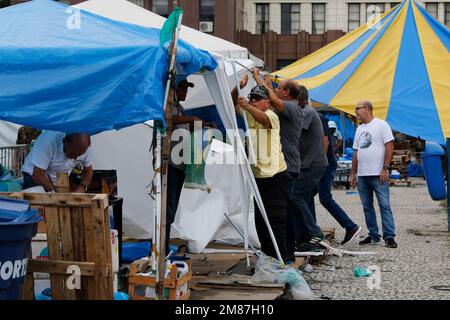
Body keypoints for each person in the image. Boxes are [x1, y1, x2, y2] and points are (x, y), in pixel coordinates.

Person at [250, 70, 304, 262]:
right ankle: (286, 252)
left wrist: (258, 80)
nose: (275, 90)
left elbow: (272, 100)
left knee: (282, 214)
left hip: (285, 168)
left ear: (287, 93)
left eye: (279, 88)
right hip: (283, 167)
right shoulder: (279, 109)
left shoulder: (290, 107)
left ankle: (287, 253)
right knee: (284, 211)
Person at [233, 84, 289, 262]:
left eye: (258, 99)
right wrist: (236, 87)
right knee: (261, 221)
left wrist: (247, 106)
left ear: (267, 102)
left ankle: (282, 257)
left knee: (276, 220)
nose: (254, 101)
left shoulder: (271, 115)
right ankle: (268, 257)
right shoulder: (250, 114)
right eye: (252, 98)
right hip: (259, 176)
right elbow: (231, 103)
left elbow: (264, 120)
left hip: (275, 175)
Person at [166, 79, 214, 254]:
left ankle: (164, 246)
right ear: (175, 89)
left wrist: (205, 125)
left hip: (179, 165)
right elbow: (168, 119)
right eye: (183, 88)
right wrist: (192, 119)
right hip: (170, 165)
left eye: (187, 89)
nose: (186, 92)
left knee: (172, 209)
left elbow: (186, 127)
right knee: (168, 210)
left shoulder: (180, 108)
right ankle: (162, 248)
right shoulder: (169, 106)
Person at [350, 100, 397, 248]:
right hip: (363, 175)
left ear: (367, 108)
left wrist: (385, 167)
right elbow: (356, 152)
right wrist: (353, 173)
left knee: (384, 205)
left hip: (378, 174)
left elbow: (389, 147)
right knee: (367, 206)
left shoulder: (382, 125)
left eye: (358, 108)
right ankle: (374, 235)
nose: (355, 111)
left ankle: (389, 236)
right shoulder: (359, 129)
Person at [309, 114, 362, 245]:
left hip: (324, 164)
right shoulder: (312, 116)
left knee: (324, 198)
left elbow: (325, 141)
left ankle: (350, 226)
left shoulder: (317, 117)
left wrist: (320, 164)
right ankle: (311, 230)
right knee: (307, 194)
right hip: (323, 163)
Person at [291, 86, 328, 252]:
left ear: (298, 99)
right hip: (310, 164)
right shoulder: (307, 111)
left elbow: (293, 128)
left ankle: (314, 232)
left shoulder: (306, 112)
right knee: (303, 199)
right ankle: (304, 236)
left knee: (295, 196)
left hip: (312, 164)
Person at [21, 131, 93, 193]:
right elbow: (37, 175)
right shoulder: (48, 141)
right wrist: (55, 194)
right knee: (35, 205)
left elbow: (88, 171)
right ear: (64, 141)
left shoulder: (84, 147)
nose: (75, 158)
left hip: (58, 179)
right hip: (34, 176)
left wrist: (82, 187)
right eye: (72, 154)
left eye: (79, 155)